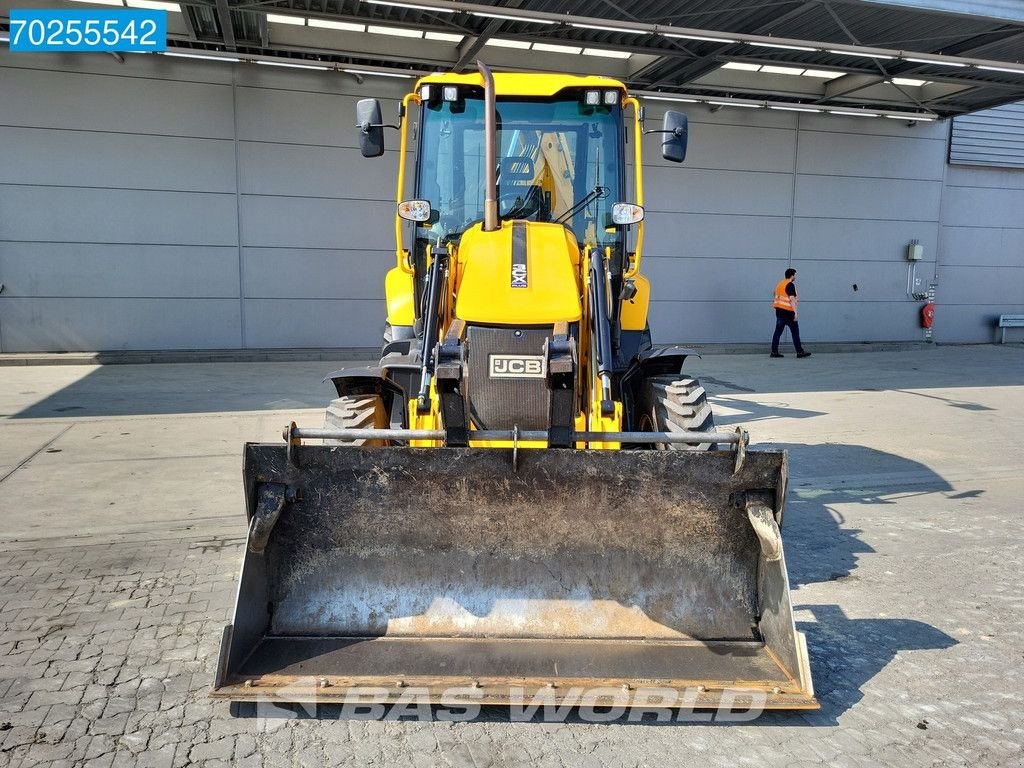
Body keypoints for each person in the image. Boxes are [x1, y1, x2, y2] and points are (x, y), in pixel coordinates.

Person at [771, 268, 811, 358]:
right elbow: (792, 299)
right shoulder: (790, 285)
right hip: (788, 313)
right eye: (794, 275)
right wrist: (796, 313)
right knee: (795, 333)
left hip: (779, 311)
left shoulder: (780, 284)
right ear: (792, 275)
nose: (795, 277)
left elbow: (775, 295)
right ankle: (800, 352)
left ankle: (774, 352)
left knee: (777, 332)